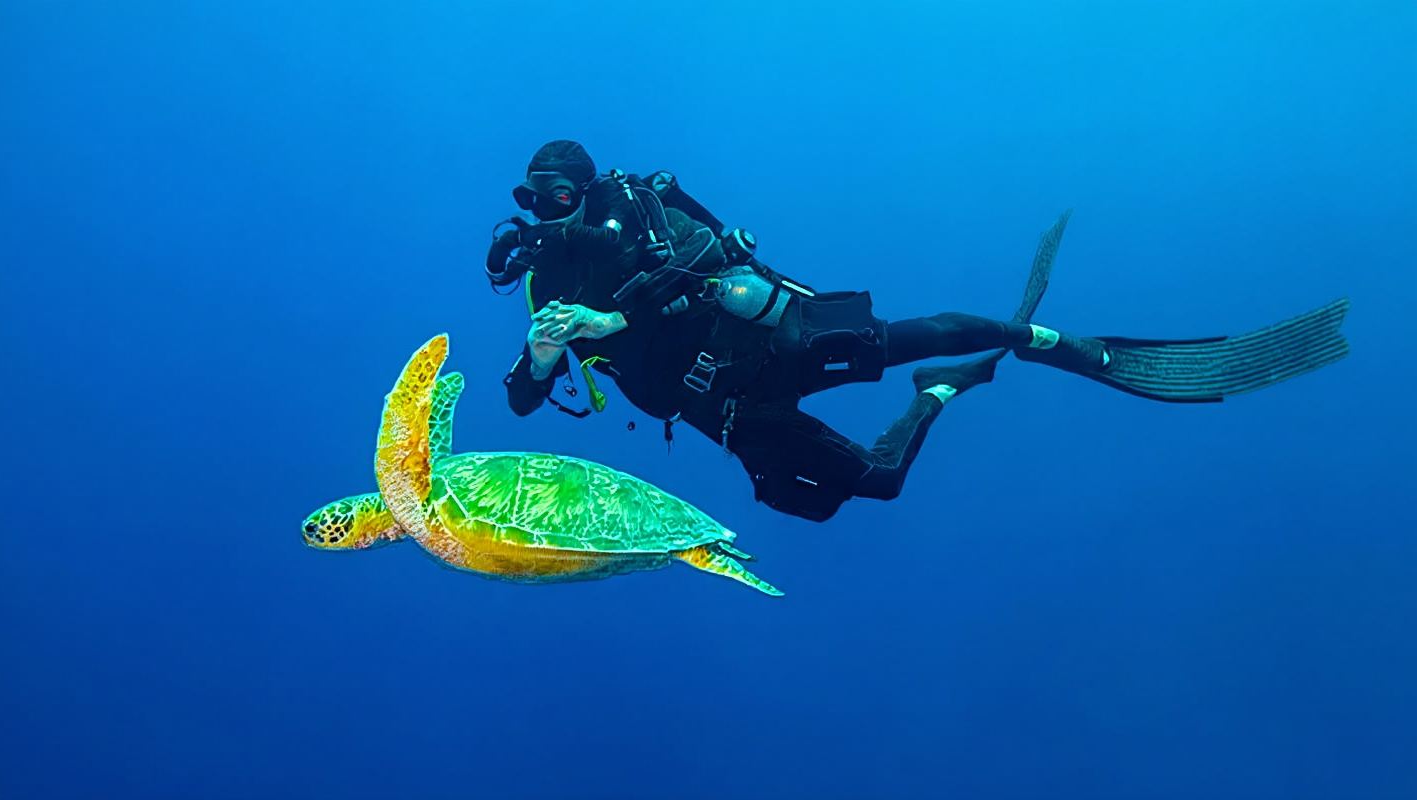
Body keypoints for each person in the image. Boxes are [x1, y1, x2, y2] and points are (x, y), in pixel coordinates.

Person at [487, 140, 1350, 522]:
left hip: (759, 340)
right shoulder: (543, 285)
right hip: (723, 410)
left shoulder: (640, 215)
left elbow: (703, 262)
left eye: (561, 193)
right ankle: (940, 395)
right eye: (538, 196)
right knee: (869, 486)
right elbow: (524, 405)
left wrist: (617, 314)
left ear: (587, 186)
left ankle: (1046, 340)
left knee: (928, 329)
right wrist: (541, 353)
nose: (550, 210)